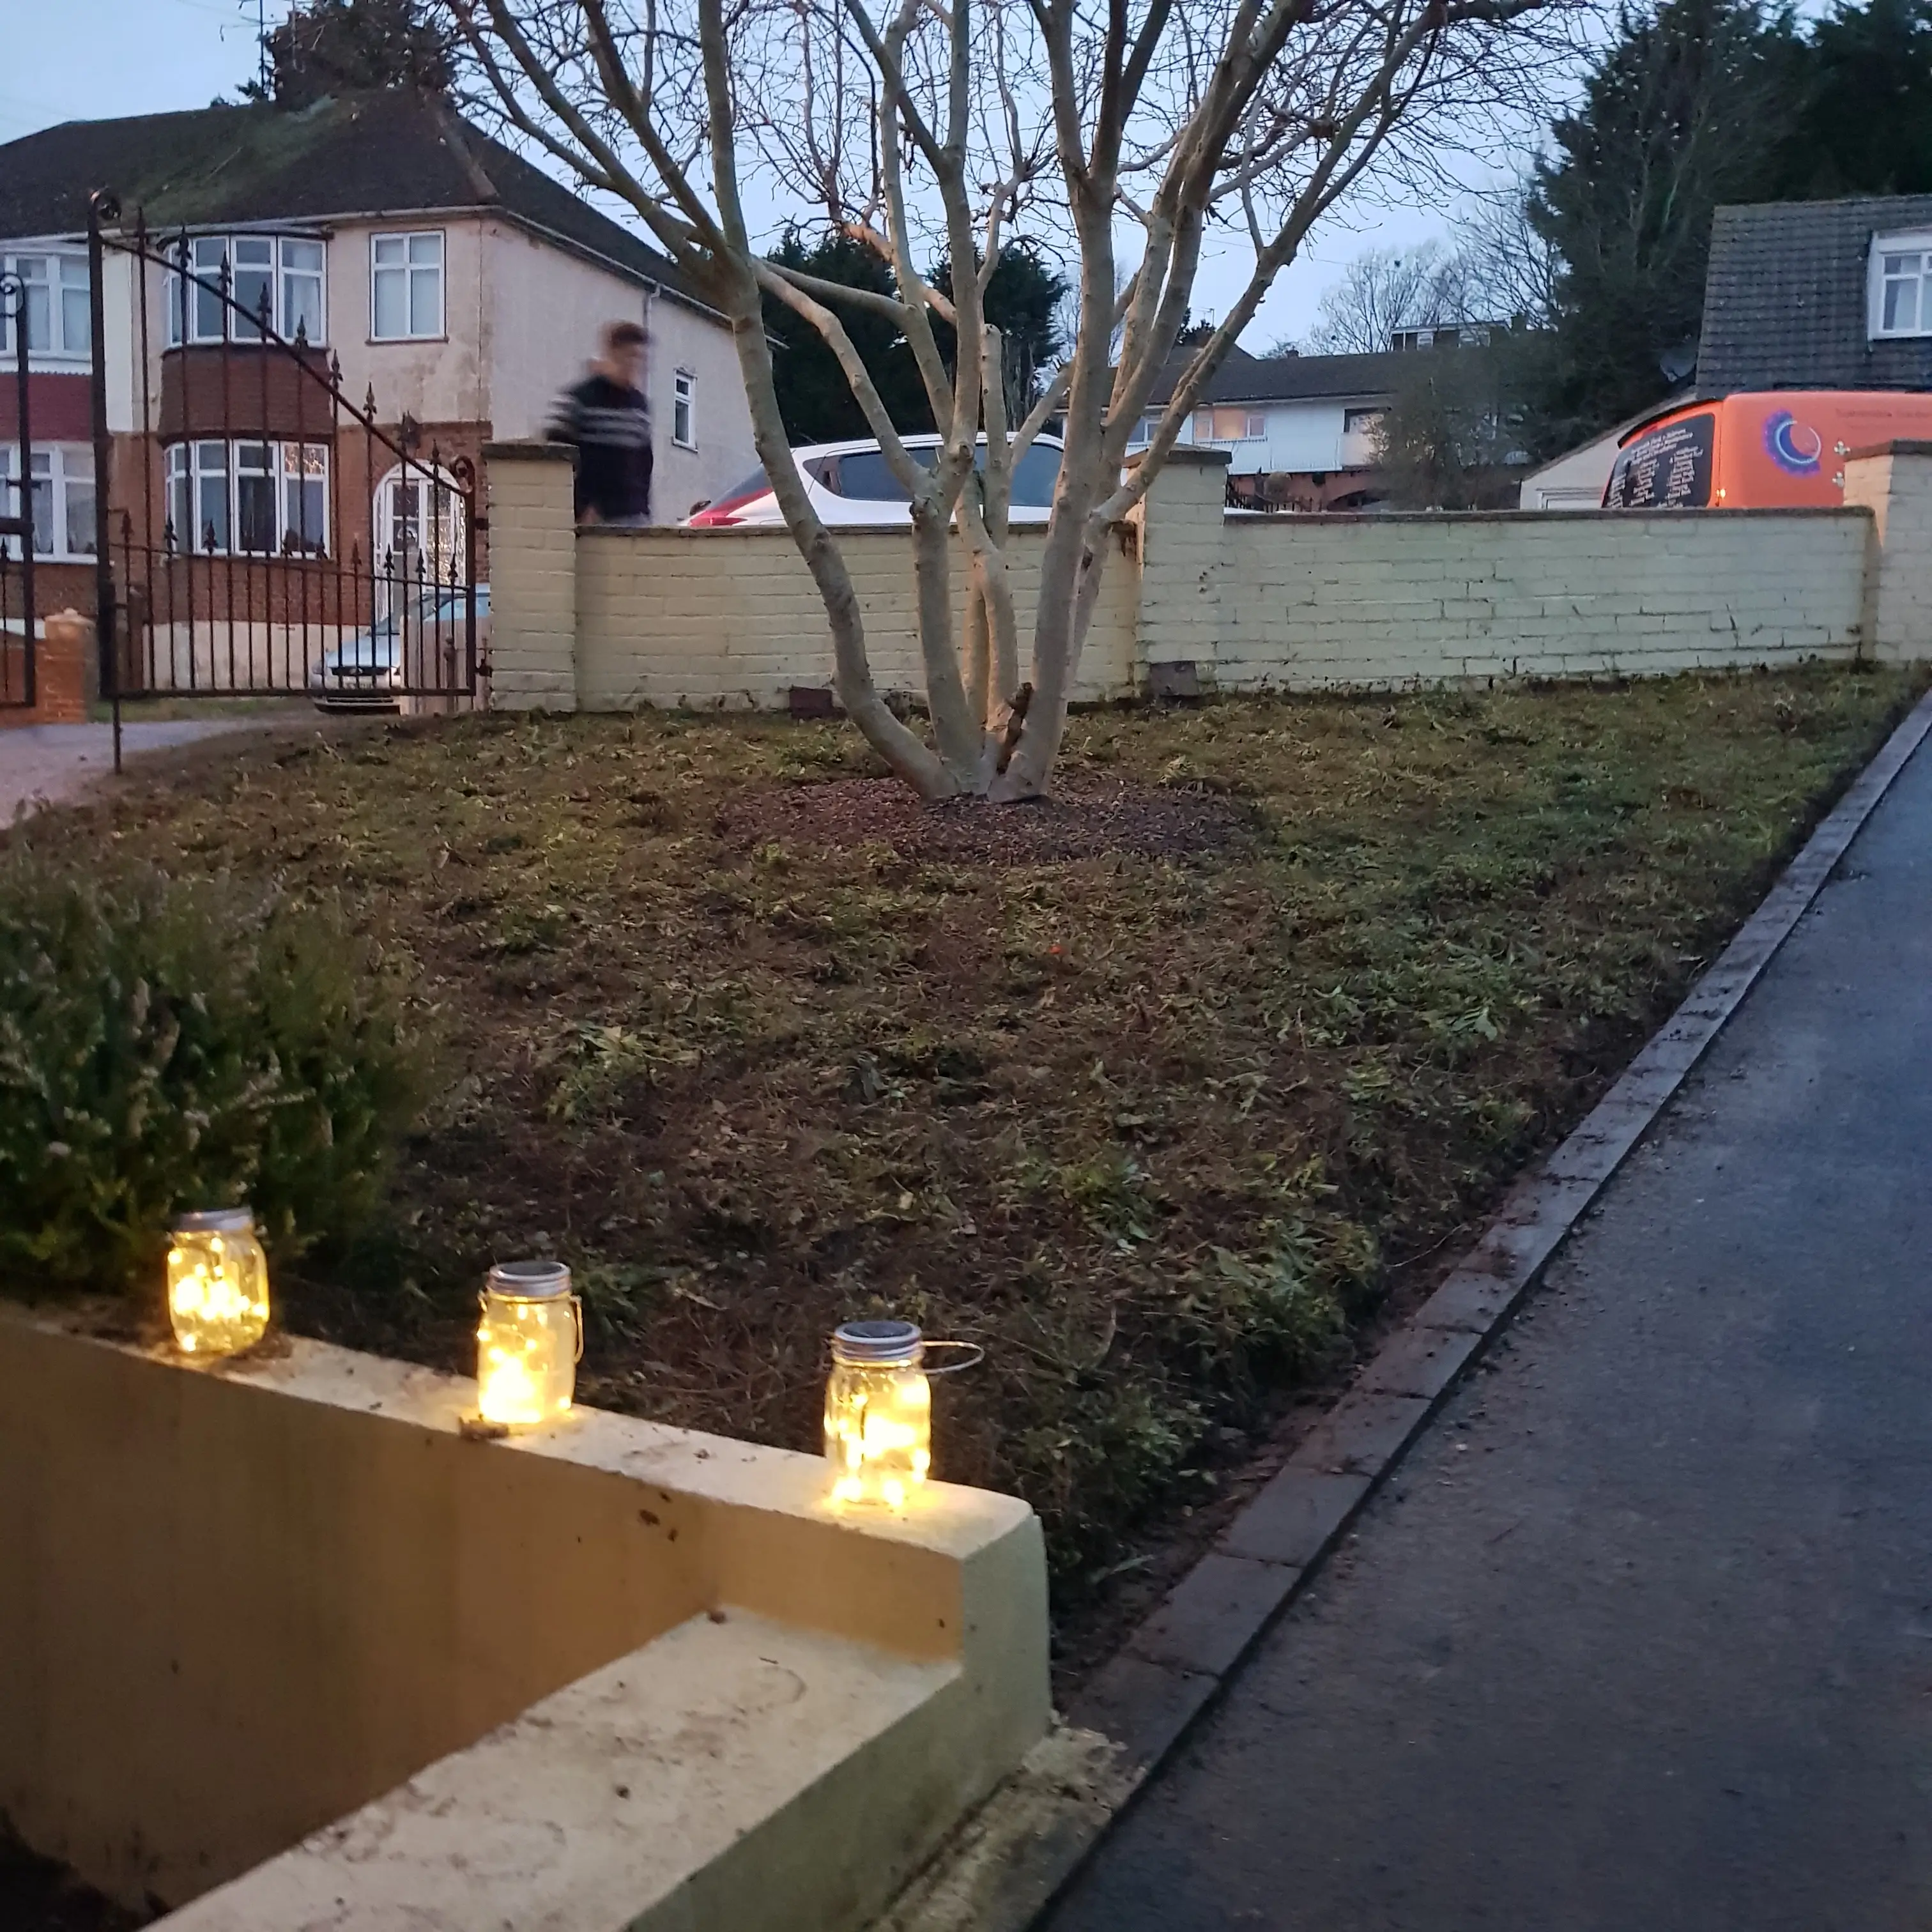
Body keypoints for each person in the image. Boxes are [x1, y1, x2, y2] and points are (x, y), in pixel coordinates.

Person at [548, 320, 654, 525]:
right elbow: (555, 455)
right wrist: (580, 507)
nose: (635, 364)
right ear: (613, 353)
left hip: (633, 518)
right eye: (630, 356)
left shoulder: (639, 406)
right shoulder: (579, 400)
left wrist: (644, 509)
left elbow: (644, 464)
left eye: (640, 358)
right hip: (592, 520)